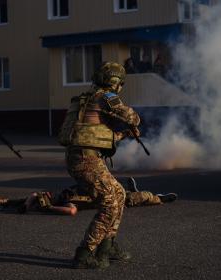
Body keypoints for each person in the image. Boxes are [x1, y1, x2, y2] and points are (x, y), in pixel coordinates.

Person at [58, 61, 141, 269]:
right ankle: (84, 253)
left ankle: (107, 245)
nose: (120, 87)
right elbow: (132, 117)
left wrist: (122, 133)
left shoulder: (86, 99)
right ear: (115, 82)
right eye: (120, 83)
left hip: (81, 156)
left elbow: (94, 133)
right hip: (87, 159)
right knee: (109, 202)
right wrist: (132, 124)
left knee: (120, 193)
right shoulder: (107, 97)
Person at [0, 177, 178, 214]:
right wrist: (51, 207)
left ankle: (132, 189)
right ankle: (160, 198)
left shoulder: (46, 197)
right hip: (99, 199)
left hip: (91, 188)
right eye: (47, 197)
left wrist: (7, 203)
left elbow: (32, 196)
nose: (47, 194)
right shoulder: (65, 203)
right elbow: (72, 212)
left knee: (116, 187)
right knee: (135, 198)